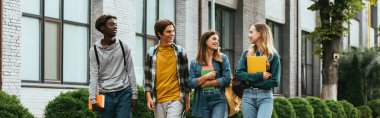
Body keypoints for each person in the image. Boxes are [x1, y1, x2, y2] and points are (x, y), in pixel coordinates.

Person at [89, 14, 138, 118]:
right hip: (105, 95)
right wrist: (92, 98)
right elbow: (94, 75)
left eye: (116, 24)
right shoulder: (94, 50)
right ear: (102, 27)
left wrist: (134, 94)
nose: (115, 27)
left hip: (124, 93)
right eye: (111, 24)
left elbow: (130, 71)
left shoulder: (123, 46)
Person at [144, 19, 190, 118]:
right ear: (159, 34)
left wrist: (187, 101)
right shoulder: (151, 53)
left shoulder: (181, 52)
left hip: (176, 99)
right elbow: (147, 79)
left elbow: (186, 79)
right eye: (168, 31)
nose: (172, 34)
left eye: (173, 31)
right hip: (158, 100)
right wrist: (149, 98)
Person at [236, 23, 281, 118]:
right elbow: (239, 74)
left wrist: (250, 82)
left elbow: (275, 81)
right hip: (247, 97)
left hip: (265, 97)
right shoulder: (247, 54)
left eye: (251, 32)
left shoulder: (273, 55)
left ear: (260, 33)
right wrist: (260, 76)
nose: (249, 35)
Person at [188, 31, 231, 118]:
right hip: (201, 99)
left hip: (219, 98)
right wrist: (206, 77)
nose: (216, 42)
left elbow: (227, 79)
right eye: (214, 39)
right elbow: (190, 83)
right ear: (205, 41)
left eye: (217, 40)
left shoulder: (222, 58)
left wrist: (209, 83)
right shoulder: (194, 62)